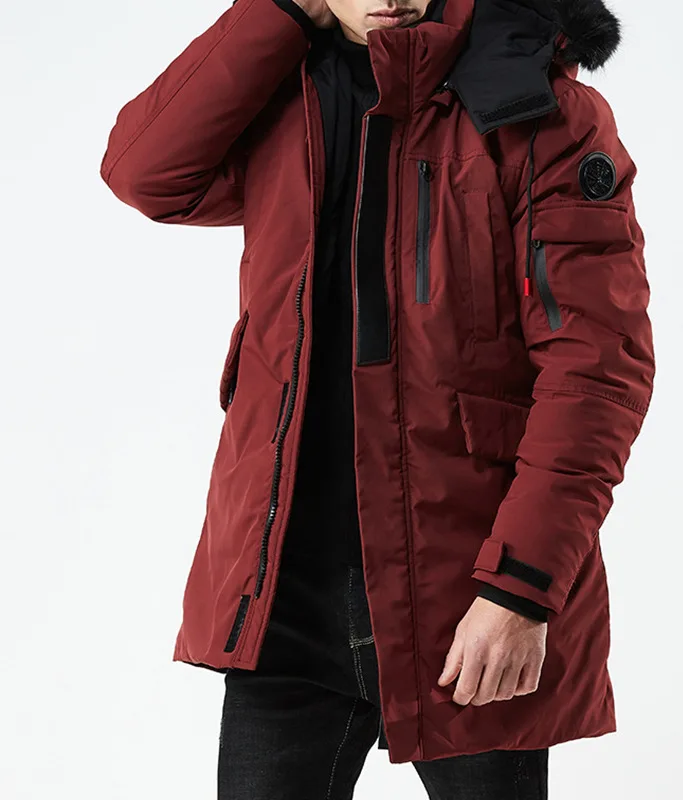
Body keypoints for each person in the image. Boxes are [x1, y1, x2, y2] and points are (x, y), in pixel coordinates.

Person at [100, 0, 655, 795]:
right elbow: (145, 172)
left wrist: (522, 588)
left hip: (464, 591)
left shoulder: (535, 105)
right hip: (284, 595)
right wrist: (276, 15)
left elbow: (595, 369)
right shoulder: (280, 90)